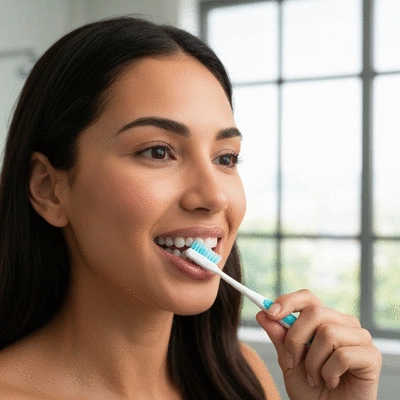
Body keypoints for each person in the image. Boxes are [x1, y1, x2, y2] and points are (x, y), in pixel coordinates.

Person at [0, 16, 381, 399]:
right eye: (158, 152)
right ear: (49, 189)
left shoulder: (243, 379)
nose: (214, 197)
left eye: (226, 158)